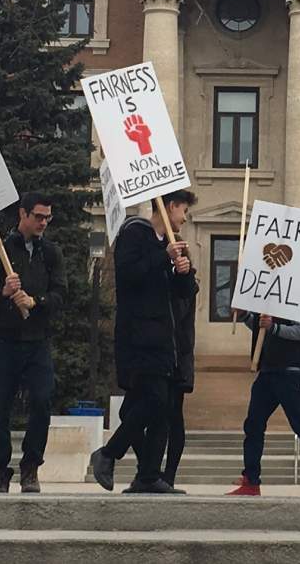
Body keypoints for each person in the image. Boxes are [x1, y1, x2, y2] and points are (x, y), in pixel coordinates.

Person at [90, 190, 197, 493]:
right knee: (153, 401)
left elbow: (184, 295)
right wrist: (164, 258)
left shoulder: (171, 247)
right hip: (139, 337)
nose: (185, 217)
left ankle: (148, 476)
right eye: (183, 210)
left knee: (160, 410)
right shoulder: (134, 234)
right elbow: (129, 275)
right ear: (170, 207)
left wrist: (183, 273)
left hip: (166, 341)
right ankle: (108, 453)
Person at [0, 191, 66, 494]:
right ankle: (0, 471)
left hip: (38, 341)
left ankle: (31, 467)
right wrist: (2, 293)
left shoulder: (50, 253)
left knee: (41, 401)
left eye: (47, 217)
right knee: (0, 408)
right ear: (23, 215)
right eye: (38, 216)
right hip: (6, 341)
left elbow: (61, 295)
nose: (43, 222)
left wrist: (36, 301)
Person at [227, 303, 300, 498]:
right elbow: (262, 330)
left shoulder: (295, 296)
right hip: (268, 369)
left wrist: (274, 327)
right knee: (253, 424)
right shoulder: (266, 299)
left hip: (287, 372)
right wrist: (246, 317)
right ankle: (251, 480)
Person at [154, 269, 198, 494]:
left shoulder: (184, 282)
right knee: (159, 415)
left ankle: (167, 474)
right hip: (162, 355)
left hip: (176, 358)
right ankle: (152, 472)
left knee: (172, 416)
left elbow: (176, 313)